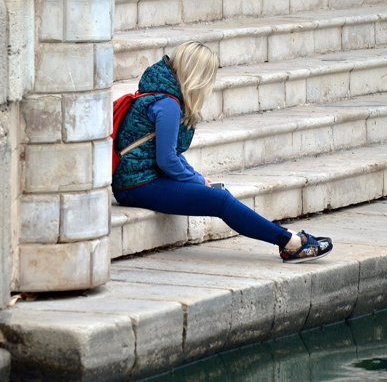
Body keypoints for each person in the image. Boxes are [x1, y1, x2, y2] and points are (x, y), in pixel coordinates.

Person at [112, 41, 333, 262]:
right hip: (136, 186)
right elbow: (167, 159)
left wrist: (196, 178)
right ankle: (290, 243)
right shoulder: (168, 105)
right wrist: (196, 180)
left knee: (218, 195)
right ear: (197, 75)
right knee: (220, 200)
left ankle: (287, 238)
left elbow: (171, 153)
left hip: (141, 180)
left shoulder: (160, 93)